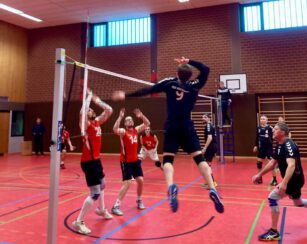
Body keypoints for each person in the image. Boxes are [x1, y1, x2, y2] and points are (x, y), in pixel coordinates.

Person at [112, 57, 224, 214]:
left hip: (172, 125)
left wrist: (127, 95)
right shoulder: (195, 85)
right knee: (200, 159)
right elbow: (205, 69)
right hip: (187, 125)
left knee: (168, 161)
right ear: (190, 75)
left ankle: (171, 186)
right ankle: (212, 189)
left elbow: (149, 90)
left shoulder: (170, 83)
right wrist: (189, 60)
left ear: (177, 73)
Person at [252, 122, 307, 241]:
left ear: (282, 132)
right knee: (298, 202)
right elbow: (272, 163)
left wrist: (284, 183)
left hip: (294, 180)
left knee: (272, 198)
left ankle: (274, 231)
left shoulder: (288, 145)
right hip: (294, 180)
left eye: (275, 129)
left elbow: (291, 165)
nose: (273, 131)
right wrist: (259, 174)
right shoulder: (279, 144)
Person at [72, 90, 113, 235]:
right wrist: (88, 97)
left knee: (103, 185)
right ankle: (79, 221)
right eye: (89, 109)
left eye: (91, 109)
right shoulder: (86, 125)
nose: (91, 110)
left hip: (96, 159)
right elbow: (82, 113)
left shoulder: (97, 122)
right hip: (88, 161)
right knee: (95, 193)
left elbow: (109, 110)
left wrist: (97, 100)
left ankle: (101, 210)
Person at [111, 108, 150, 216]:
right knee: (127, 183)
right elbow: (115, 129)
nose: (130, 121)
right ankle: (116, 206)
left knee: (141, 181)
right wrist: (120, 117)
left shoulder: (136, 130)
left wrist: (141, 115)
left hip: (135, 161)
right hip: (126, 161)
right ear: (125, 123)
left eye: (131, 120)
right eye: (127, 120)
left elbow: (147, 123)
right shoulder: (123, 132)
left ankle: (139, 200)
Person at [253, 115, 273, 184]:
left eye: (264, 119)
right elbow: (257, 137)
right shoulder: (258, 128)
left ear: (267, 120)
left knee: (271, 164)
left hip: (268, 148)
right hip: (261, 148)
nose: (262, 120)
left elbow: (274, 137)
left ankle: (274, 180)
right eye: (261, 119)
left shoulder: (270, 128)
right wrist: (255, 145)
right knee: (259, 164)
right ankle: (259, 178)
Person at [201, 114, 218, 188]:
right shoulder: (211, 125)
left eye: (204, 117)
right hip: (212, 147)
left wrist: (205, 148)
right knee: (207, 165)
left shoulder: (208, 126)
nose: (202, 118)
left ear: (208, 118)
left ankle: (213, 183)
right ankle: (209, 182)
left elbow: (210, 138)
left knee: (207, 166)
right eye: (202, 117)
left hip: (210, 147)